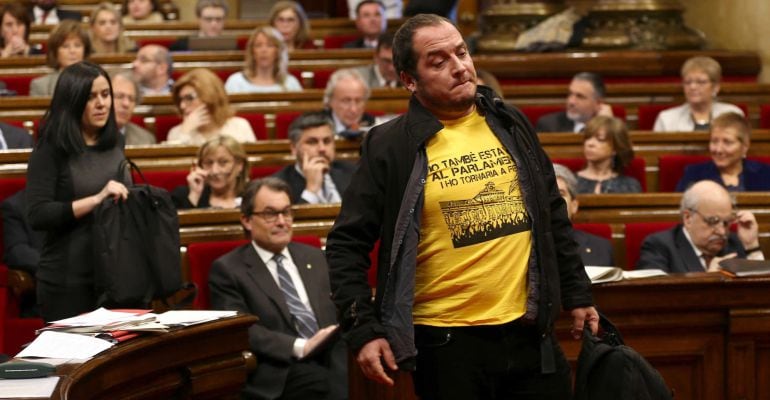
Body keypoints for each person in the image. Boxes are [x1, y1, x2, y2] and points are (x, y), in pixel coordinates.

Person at [325, 14, 597, 400]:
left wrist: (579, 294)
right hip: (446, 345)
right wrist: (364, 331)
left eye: (462, 53)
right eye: (439, 62)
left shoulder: (510, 122)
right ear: (409, 80)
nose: (459, 67)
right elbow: (345, 245)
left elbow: (552, 212)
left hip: (530, 333)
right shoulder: (389, 146)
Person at [209, 177, 347, 400]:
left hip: (335, 354)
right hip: (283, 368)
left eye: (287, 212)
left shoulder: (314, 256)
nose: (282, 221)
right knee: (325, 383)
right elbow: (239, 330)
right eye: (270, 214)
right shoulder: (228, 269)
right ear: (246, 220)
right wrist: (301, 346)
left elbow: (341, 303)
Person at [26, 61, 131, 322]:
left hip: (115, 274)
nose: (101, 104)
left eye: (105, 95)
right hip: (67, 279)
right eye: (90, 97)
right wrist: (96, 200)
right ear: (72, 101)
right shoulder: (51, 149)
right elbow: (38, 214)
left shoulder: (116, 141)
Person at [637, 180, 764, 273]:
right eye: (712, 221)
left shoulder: (734, 243)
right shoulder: (659, 247)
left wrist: (751, 246)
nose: (721, 231)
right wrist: (708, 280)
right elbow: (654, 299)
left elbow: (760, 294)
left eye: (726, 222)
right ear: (688, 218)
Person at [272, 111, 355, 204]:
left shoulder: (353, 173)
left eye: (327, 141)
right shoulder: (277, 185)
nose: (322, 149)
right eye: (312, 142)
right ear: (294, 148)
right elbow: (291, 219)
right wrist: (311, 190)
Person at [676, 112, 770, 192]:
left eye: (727, 142)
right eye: (714, 141)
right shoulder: (694, 174)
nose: (719, 150)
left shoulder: (765, 174)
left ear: (745, 146)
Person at [166, 68, 256, 145]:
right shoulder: (177, 133)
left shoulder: (240, 126)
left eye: (189, 98)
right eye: (180, 100)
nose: (182, 106)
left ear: (209, 96)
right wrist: (184, 134)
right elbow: (173, 164)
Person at [654, 56, 744, 132]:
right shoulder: (667, 119)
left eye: (701, 82)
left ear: (716, 86)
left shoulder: (733, 115)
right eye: (688, 82)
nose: (693, 87)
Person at [553, 163, 614, 266]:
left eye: (561, 194)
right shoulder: (521, 247)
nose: (554, 200)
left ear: (574, 205)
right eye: (545, 194)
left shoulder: (601, 248)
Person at [172, 136, 248, 209]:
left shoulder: (253, 196)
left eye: (223, 162)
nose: (214, 171)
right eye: (208, 163)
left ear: (240, 165)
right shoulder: (182, 196)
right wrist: (194, 195)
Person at [224, 26, 302, 94]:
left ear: (278, 51)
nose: (263, 50)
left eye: (270, 45)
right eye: (258, 45)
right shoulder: (236, 82)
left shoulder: (290, 83)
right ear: (252, 51)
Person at [576, 115, 641, 194]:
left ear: (615, 148)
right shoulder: (570, 182)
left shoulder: (630, 186)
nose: (590, 143)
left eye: (600, 139)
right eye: (587, 138)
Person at [29, 20, 91, 96]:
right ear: (55, 51)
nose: (72, 51)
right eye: (65, 46)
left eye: (77, 45)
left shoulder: (97, 82)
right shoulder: (41, 85)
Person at [535, 72, 612, 133]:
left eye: (580, 96)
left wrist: (606, 124)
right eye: (570, 94)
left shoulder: (610, 126)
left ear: (598, 103)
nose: (571, 101)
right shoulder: (549, 126)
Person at [323, 68, 375, 138]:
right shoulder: (317, 127)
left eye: (358, 101)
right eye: (346, 101)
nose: (353, 109)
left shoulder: (374, 127)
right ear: (330, 101)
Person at [110, 70, 156, 145]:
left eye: (131, 99)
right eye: (119, 96)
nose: (126, 104)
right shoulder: (88, 137)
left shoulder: (146, 139)